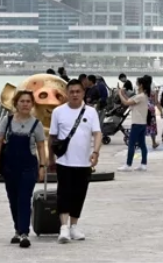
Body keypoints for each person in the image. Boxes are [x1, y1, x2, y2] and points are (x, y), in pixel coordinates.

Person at [49, 79, 102, 243]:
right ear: (66, 93)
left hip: (84, 161)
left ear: (83, 93)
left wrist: (96, 152)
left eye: (78, 91)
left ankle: (74, 226)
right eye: (71, 91)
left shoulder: (91, 112)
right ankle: (63, 227)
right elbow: (52, 136)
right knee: (63, 194)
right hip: (64, 161)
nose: (75, 94)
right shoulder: (58, 112)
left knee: (79, 194)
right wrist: (50, 159)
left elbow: (97, 133)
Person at [0, 90, 47, 248]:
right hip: (9, 166)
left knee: (24, 198)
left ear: (32, 104)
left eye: (28, 101)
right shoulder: (7, 121)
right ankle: (17, 229)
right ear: (16, 103)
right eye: (22, 101)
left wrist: (42, 166)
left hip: (28, 167)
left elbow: (41, 146)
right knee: (13, 199)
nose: (25, 104)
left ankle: (24, 233)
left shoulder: (36, 124)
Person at [118, 76, 152, 171]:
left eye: (137, 84)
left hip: (137, 123)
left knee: (131, 144)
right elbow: (129, 101)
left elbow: (125, 103)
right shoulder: (143, 96)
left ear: (141, 85)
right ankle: (143, 163)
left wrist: (120, 93)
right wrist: (123, 94)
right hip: (142, 123)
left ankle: (128, 165)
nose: (136, 85)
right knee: (142, 144)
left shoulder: (140, 96)